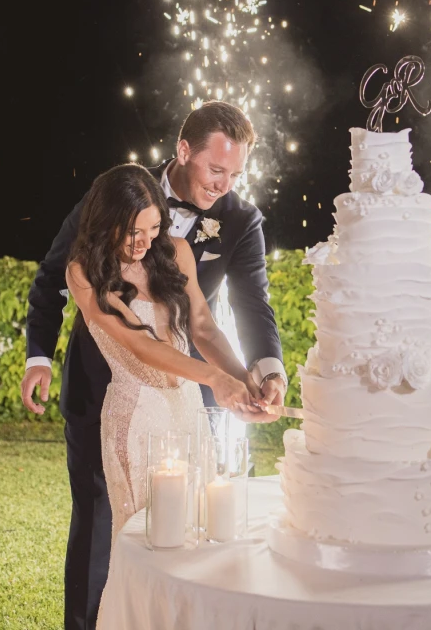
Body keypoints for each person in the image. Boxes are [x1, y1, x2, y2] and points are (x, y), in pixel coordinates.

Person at [23, 102, 287, 630]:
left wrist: (254, 377)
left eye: (235, 174)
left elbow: (223, 316)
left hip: (185, 396)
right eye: (216, 170)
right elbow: (58, 280)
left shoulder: (226, 226)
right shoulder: (113, 200)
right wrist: (39, 357)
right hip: (109, 396)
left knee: (187, 527)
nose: (225, 185)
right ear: (184, 150)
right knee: (103, 527)